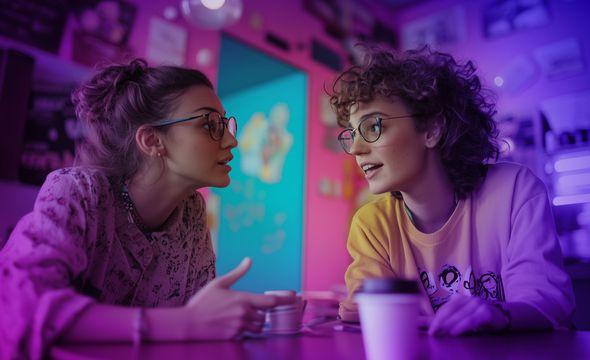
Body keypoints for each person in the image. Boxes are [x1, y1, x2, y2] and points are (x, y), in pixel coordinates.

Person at [0, 59, 294, 359]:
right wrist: (189, 322)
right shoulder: (78, 192)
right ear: (152, 140)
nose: (232, 140)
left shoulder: (191, 213)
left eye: (226, 124)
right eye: (210, 125)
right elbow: (19, 307)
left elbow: (198, 330)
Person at [330, 46, 575, 336]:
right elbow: (367, 314)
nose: (356, 149)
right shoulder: (371, 225)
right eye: (352, 134)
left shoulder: (515, 191)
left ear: (432, 129)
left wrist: (497, 314)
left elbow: (545, 305)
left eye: (373, 126)